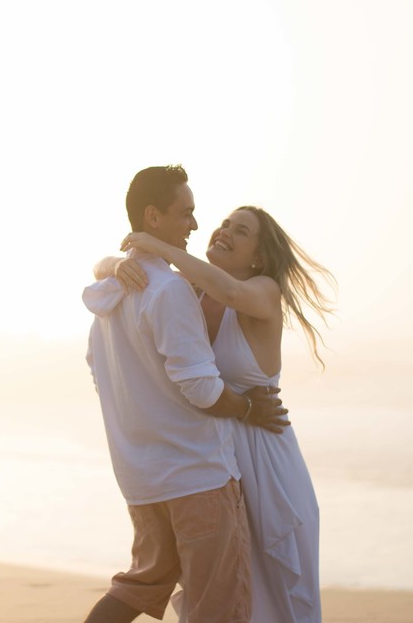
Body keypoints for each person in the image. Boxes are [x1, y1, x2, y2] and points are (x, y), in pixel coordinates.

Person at [100, 204, 334, 623]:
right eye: (225, 223)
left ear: (258, 256)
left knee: (275, 590)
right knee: (228, 585)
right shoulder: (191, 290)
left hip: (263, 451)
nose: (223, 231)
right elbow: (102, 271)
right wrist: (118, 263)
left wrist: (156, 246)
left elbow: (232, 294)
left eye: (240, 231)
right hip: (213, 455)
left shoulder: (262, 290)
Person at [81, 165, 289, 623]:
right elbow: (201, 389)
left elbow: (101, 375)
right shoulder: (170, 290)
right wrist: (250, 407)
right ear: (153, 217)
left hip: (142, 479)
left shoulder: (110, 291)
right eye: (185, 213)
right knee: (219, 609)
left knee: (138, 588)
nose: (195, 224)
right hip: (197, 478)